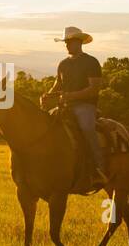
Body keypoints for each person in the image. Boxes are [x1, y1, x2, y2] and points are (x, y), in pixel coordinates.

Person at [41, 26, 109, 188]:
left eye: (69, 42)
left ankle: (99, 169)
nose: (66, 45)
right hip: (65, 106)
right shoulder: (63, 64)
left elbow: (94, 88)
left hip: (85, 106)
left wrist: (71, 96)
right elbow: (57, 85)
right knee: (46, 127)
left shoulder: (91, 62)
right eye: (66, 42)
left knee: (87, 128)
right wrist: (48, 95)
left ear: (79, 42)